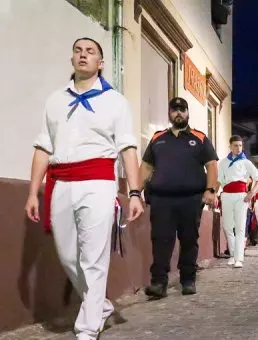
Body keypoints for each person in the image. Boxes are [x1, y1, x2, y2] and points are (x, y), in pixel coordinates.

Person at [25, 37, 143, 340]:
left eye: (90, 52)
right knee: (67, 255)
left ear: (100, 63)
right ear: (72, 58)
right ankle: (100, 305)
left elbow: (128, 148)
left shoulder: (116, 101)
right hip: (61, 183)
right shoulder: (55, 100)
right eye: (78, 50)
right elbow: (43, 146)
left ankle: (87, 329)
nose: (83, 55)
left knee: (93, 256)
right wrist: (31, 192)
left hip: (98, 182)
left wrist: (134, 192)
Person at [138, 97, 219, 298]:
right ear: (169, 113)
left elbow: (211, 164)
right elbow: (147, 166)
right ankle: (158, 283)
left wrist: (210, 191)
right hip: (161, 200)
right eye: (175, 110)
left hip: (191, 199)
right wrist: (135, 191)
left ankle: (188, 280)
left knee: (189, 239)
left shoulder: (199, 138)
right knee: (161, 240)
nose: (179, 113)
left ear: (188, 113)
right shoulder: (158, 138)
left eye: (182, 110)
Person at [218, 135, 258, 268]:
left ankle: (239, 258)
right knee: (227, 226)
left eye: (240, 145)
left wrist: (251, 192)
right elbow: (219, 180)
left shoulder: (246, 162)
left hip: (240, 196)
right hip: (226, 195)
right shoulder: (223, 162)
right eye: (235, 145)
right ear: (230, 146)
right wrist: (214, 193)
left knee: (240, 226)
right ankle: (232, 254)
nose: (238, 148)